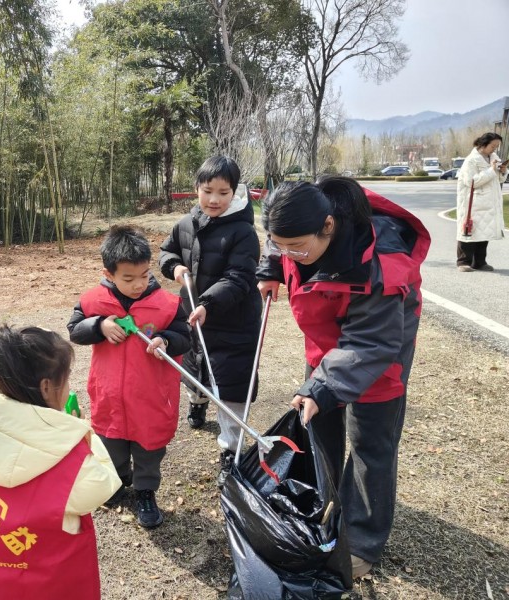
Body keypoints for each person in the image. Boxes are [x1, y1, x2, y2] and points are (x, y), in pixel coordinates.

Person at [256, 177, 430, 579]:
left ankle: (363, 539)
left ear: (329, 227)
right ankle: (327, 502)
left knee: (372, 445)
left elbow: (370, 342)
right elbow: (279, 240)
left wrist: (322, 386)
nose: (289, 254)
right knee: (316, 424)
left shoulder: (381, 260)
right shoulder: (298, 227)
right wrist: (271, 267)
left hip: (378, 350)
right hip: (326, 339)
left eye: (297, 248)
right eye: (281, 245)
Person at [0, 326, 120, 600]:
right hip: (44, 586)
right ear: (47, 387)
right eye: (67, 378)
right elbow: (105, 483)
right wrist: (77, 429)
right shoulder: (70, 461)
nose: (70, 386)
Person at [67, 225, 190, 528]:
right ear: (108, 274)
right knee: (112, 442)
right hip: (109, 394)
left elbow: (185, 336)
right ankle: (118, 481)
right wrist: (98, 326)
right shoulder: (93, 301)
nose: (138, 284)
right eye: (128, 278)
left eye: (145, 275)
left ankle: (145, 491)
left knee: (149, 447)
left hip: (151, 396)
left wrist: (166, 340)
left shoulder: (167, 304)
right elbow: (75, 330)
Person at [159, 155, 262, 488]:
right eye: (208, 191)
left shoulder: (243, 232)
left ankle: (230, 453)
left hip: (233, 319)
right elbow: (167, 251)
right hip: (193, 313)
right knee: (195, 367)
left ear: (235, 192)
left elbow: (240, 277)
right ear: (196, 190)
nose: (214, 199)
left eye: (223, 192)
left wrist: (208, 302)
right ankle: (197, 402)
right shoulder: (186, 223)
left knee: (231, 386)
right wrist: (173, 266)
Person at [455, 132, 507, 272]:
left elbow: (499, 180)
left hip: (489, 202)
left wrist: (502, 171)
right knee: (468, 231)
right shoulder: (471, 160)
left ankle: (479, 262)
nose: (495, 149)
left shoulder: (493, 158)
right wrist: (491, 170)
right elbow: (471, 182)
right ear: (483, 144)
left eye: (497, 146)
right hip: (473, 202)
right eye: (493, 146)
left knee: (484, 232)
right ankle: (463, 262)